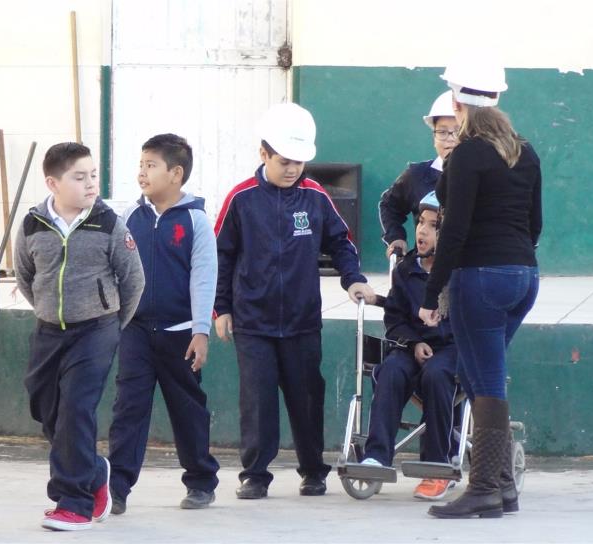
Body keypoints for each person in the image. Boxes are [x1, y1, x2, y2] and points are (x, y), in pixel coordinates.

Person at [214, 102, 375, 499]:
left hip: (302, 321)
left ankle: (313, 471)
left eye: (300, 162)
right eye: (285, 161)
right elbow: (221, 255)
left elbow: (341, 243)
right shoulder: (241, 199)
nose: (293, 169)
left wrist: (353, 279)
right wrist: (221, 308)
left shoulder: (316, 197)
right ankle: (255, 475)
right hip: (253, 322)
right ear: (263, 153)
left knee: (307, 399)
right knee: (258, 401)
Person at [419, 62, 542, 519]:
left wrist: (431, 296)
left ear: (457, 104)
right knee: (476, 375)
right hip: (523, 276)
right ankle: (504, 488)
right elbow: (536, 224)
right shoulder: (523, 151)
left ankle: (485, 486)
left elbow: (454, 231)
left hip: (481, 277)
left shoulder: (466, 155)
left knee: (485, 380)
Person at [14, 142, 144, 531]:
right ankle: (92, 470)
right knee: (46, 408)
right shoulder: (33, 224)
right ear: (53, 182)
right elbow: (25, 275)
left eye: (92, 175)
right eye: (79, 177)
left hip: (97, 330)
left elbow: (133, 280)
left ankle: (73, 501)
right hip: (49, 330)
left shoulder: (109, 223)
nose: (90, 184)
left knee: (75, 410)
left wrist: (111, 324)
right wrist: (47, 308)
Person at [109, 133, 221, 513]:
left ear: (176, 174)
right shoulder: (128, 217)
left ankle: (201, 481)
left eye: (151, 165)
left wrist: (200, 331)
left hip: (180, 335)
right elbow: (116, 271)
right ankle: (117, 488)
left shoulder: (196, 221)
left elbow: (204, 277)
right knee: (128, 409)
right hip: (136, 332)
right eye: (141, 164)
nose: (142, 172)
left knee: (188, 410)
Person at [359, 192, 461, 501]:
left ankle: (435, 465)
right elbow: (395, 318)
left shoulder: (462, 273)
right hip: (410, 347)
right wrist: (414, 342)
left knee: (437, 376)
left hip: (450, 349)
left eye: (434, 225)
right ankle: (376, 456)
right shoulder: (405, 270)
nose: (422, 231)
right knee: (390, 370)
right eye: (420, 222)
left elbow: (467, 324)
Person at [378, 90, 460, 258]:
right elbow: (388, 205)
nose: (450, 139)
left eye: (458, 131)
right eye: (442, 132)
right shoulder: (417, 175)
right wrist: (395, 237)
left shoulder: (485, 174)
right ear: (434, 137)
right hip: (425, 272)